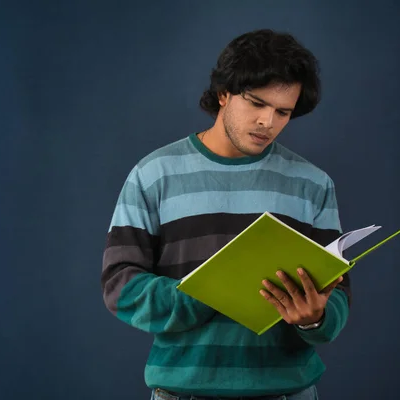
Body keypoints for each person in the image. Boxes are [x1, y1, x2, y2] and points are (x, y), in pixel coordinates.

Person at [101, 28, 351, 400]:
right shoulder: (153, 175)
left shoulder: (313, 184)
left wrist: (315, 317)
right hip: (183, 392)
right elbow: (119, 285)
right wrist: (207, 293)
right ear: (223, 94)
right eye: (256, 104)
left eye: (283, 112)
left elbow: (339, 295)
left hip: (288, 392)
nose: (269, 122)